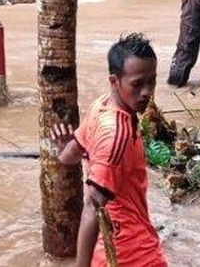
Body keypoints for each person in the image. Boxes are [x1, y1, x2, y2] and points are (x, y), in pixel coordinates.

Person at [51, 33, 168, 267]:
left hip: (116, 243)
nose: (147, 92)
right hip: (131, 252)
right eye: (137, 84)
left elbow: (69, 156)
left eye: (151, 81)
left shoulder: (101, 105)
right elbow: (93, 204)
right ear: (114, 80)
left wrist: (63, 147)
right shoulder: (117, 134)